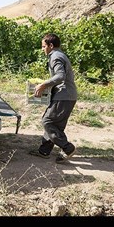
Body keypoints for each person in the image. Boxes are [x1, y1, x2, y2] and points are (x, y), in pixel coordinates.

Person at [30, 33, 77, 163]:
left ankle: (68, 148)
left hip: (64, 96)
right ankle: (44, 150)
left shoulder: (55, 56)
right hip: (68, 96)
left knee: (48, 121)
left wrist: (43, 84)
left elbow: (60, 76)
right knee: (55, 125)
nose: (42, 49)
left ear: (51, 45)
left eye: (43, 46)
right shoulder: (59, 55)